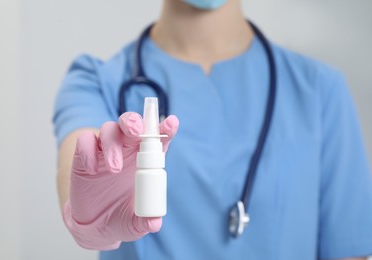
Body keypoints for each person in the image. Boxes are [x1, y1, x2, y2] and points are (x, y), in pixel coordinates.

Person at [52, 0, 372, 259]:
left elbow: (348, 250)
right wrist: (88, 213)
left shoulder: (320, 92)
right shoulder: (96, 82)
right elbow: (77, 162)